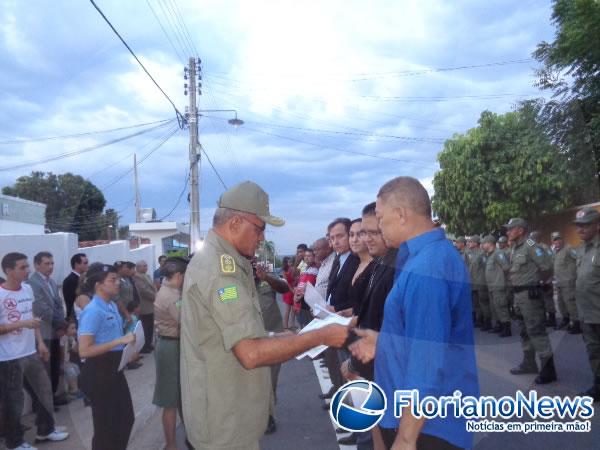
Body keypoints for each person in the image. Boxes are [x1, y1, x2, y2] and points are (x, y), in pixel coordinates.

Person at [180, 180, 349, 450]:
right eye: (259, 229)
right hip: (225, 426)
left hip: (228, 412)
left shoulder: (228, 261)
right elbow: (251, 353)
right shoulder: (221, 272)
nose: (262, 238)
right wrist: (322, 335)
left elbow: (227, 332)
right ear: (235, 223)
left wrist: (276, 336)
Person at [350, 177, 479, 450]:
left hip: (427, 428)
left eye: (381, 219)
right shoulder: (422, 258)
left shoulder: (426, 268)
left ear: (401, 215)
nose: (379, 227)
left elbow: (427, 363)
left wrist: (406, 438)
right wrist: (384, 341)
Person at [0, 252, 69, 450]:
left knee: (44, 391)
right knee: (13, 401)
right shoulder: (1, 294)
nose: (27, 270)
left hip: (30, 352)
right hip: (9, 358)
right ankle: (15, 442)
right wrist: (22, 324)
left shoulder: (27, 289)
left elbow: (33, 317)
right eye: (22, 267)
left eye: (27, 266)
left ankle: (45, 430)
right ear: (8, 270)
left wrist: (40, 343)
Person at [78, 263, 136, 450]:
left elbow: (114, 337)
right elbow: (84, 350)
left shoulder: (110, 305)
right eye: (112, 280)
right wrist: (119, 342)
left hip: (114, 369)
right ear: (98, 285)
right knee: (106, 427)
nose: (117, 283)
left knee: (125, 418)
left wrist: (127, 350)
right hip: (99, 372)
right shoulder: (93, 310)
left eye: (117, 279)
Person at [505, 218, 556, 384]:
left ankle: (548, 370)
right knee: (524, 331)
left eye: (510, 229)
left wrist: (539, 283)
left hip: (530, 295)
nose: (508, 232)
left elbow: (547, 267)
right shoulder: (515, 248)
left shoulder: (531, 246)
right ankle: (529, 363)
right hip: (519, 296)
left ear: (520, 230)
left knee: (536, 331)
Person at [153, 257, 189, 450]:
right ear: (179, 276)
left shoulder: (171, 290)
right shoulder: (171, 296)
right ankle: (171, 445)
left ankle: (190, 437)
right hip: (170, 346)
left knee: (181, 395)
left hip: (173, 344)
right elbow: (186, 322)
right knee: (170, 400)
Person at [253, 258, 289, 434]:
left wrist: (266, 277)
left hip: (273, 337)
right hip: (248, 340)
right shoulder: (232, 282)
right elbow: (223, 299)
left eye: (252, 261)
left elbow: (284, 288)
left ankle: (268, 415)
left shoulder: (267, 276)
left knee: (270, 378)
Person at [28, 251, 67, 405]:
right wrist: (61, 324)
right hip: (43, 333)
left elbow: (58, 305)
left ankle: (52, 397)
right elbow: (41, 309)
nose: (50, 267)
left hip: (55, 332)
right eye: (47, 263)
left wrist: (62, 323)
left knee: (54, 367)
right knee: (45, 370)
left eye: (52, 263)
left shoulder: (50, 282)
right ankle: (44, 403)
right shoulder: (32, 284)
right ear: (37, 265)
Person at [573, 207, 600, 401]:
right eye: (578, 226)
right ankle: (598, 386)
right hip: (587, 313)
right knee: (594, 352)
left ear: (597, 226)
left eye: (585, 225)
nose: (580, 230)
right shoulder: (581, 249)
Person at [482, 235, 511, 337]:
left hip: (498, 286)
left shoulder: (498, 253)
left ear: (490, 243)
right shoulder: (489, 255)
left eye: (484, 243)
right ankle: (499, 325)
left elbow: (506, 268)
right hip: (492, 287)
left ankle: (507, 329)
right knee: (495, 308)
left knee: (501, 307)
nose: (483, 245)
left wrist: (504, 282)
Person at [552, 231, 580, 334]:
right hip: (559, 282)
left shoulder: (568, 249)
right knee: (561, 303)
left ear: (562, 239)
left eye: (558, 239)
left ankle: (576, 323)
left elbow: (578, 260)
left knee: (570, 303)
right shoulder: (556, 251)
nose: (557, 241)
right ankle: (566, 319)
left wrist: (575, 276)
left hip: (568, 282)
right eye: (555, 240)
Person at [530, 231, 557, 328]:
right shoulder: (533, 248)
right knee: (540, 299)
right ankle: (543, 318)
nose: (531, 240)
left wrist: (549, 277)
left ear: (537, 238)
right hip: (537, 277)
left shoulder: (544, 247)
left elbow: (551, 261)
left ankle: (552, 319)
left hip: (545, 277)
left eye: (532, 238)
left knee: (548, 299)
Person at [466, 236, 489, 330]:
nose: (469, 243)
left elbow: (485, 267)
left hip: (481, 282)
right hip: (472, 282)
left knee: (483, 303)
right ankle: (479, 320)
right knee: (476, 303)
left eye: (471, 242)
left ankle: (487, 321)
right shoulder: (469, 253)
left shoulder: (482, 254)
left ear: (476, 243)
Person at [133, 262, 157, 353]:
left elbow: (153, 287)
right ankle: (144, 346)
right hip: (145, 305)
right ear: (138, 267)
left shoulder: (147, 276)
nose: (146, 267)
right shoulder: (137, 276)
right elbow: (144, 290)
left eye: (146, 265)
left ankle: (149, 344)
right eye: (143, 266)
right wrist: (156, 297)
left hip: (151, 304)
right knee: (145, 327)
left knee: (150, 326)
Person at [62, 253, 88, 320]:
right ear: (77, 264)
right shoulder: (70, 280)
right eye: (85, 263)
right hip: (75, 318)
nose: (87, 265)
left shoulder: (82, 278)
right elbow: (72, 301)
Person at [60, 320, 81, 399]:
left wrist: (79, 340)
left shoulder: (71, 338)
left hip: (67, 362)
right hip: (62, 362)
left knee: (76, 367)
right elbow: (61, 354)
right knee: (71, 370)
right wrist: (64, 363)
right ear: (66, 329)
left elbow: (75, 350)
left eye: (75, 328)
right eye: (72, 328)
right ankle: (74, 391)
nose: (75, 330)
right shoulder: (63, 338)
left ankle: (75, 389)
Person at [280, 256, 296, 329]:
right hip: (288, 291)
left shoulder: (292, 269)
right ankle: (285, 326)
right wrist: (292, 290)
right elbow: (286, 282)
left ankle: (292, 324)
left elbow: (294, 279)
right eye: (289, 262)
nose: (290, 263)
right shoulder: (284, 271)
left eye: (291, 262)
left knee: (293, 309)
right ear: (285, 263)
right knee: (288, 309)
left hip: (293, 290)